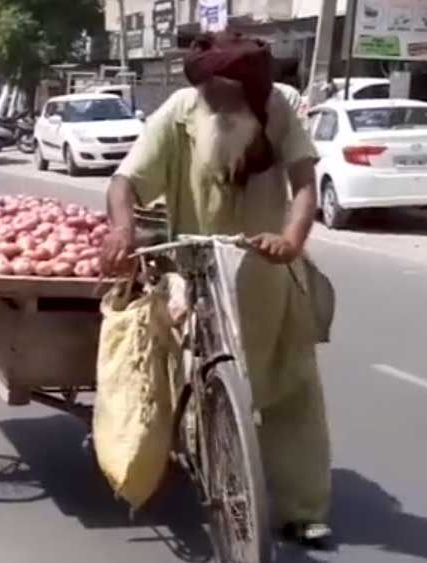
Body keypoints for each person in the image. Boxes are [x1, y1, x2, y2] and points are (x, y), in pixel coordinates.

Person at [101, 31, 333, 549]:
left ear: (251, 91)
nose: (217, 102)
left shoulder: (277, 110)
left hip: (268, 275)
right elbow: (125, 183)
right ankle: (204, 463)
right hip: (198, 276)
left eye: (228, 93)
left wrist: (291, 240)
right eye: (211, 91)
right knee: (188, 378)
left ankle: (303, 509)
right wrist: (120, 229)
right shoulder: (181, 112)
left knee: (292, 391)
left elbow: (305, 187)